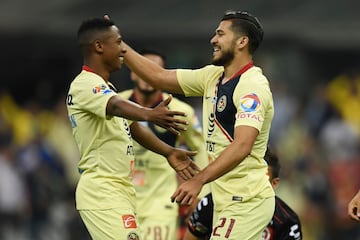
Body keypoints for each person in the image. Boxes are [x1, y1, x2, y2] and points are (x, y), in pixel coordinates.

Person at [116, 9, 275, 239]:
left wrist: (198, 180)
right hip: (224, 199)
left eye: (220, 34)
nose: (213, 40)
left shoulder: (252, 86)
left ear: (242, 41)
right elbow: (158, 77)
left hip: (246, 201)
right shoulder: (212, 76)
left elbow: (242, 145)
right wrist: (118, 43)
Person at [66, 17, 200, 240]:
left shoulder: (106, 87)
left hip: (121, 190)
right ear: (98, 46)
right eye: (118, 43)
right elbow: (116, 106)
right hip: (103, 191)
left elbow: (134, 128)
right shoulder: (85, 84)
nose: (123, 50)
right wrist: (151, 113)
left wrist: (168, 152)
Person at [119, 49, 209, 240]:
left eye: (154, 70)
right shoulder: (117, 103)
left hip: (160, 204)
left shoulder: (180, 110)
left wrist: (201, 191)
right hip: (120, 200)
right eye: (142, 69)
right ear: (133, 72)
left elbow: (200, 149)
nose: (147, 75)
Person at [183, 147, 303, 240]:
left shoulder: (287, 221)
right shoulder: (212, 202)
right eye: (250, 176)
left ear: (274, 183)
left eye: (262, 178)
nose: (254, 184)